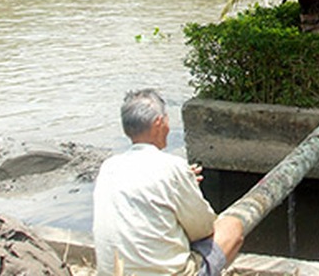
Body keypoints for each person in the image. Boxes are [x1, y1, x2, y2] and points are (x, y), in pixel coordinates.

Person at [93, 89, 244, 275]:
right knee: (232, 226)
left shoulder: (109, 167)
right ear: (158, 123)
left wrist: (182, 182)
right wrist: (184, 184)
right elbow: (204, 228)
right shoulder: (172, 167)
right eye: (166, 119)